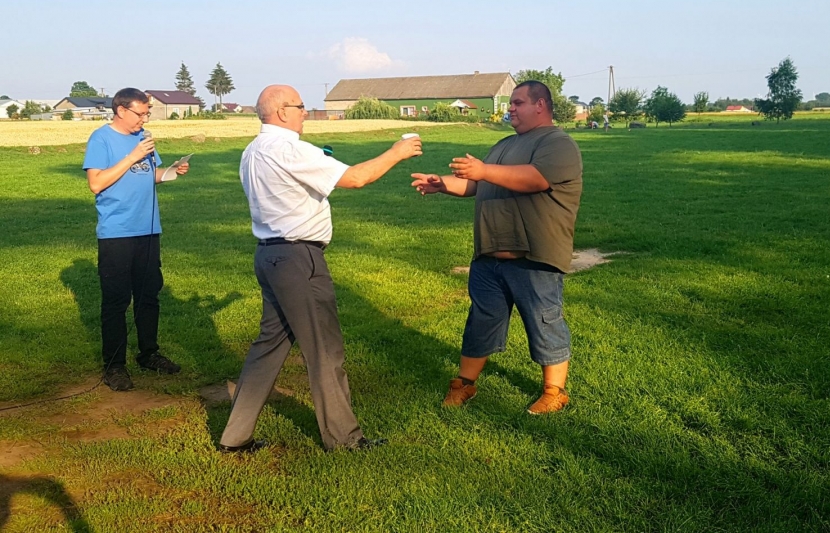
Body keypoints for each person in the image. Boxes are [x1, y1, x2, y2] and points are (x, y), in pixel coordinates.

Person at [219, 85, 422, 453]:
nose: (304, 112)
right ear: (282, 112)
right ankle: (344, 439)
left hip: (269, 256)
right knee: (324, 349)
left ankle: (234, 437)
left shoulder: (253, 150)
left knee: (268, 348)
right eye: (299, 106)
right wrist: (397, 152)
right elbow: (357, 178)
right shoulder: (288, 148)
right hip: (299, 259)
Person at [411, 80, 583, 414]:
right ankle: (465, 383)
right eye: (511, 103)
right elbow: (476, 184)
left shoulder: (557, 143)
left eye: (518, 103)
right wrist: (442, 184)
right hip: (490, 255)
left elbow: (535, 179)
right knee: (481, 320)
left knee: (544, 321)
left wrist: (484, 169)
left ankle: (555, 391)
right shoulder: (504, 144)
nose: (510, 109)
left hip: (534, 256)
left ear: (540, 105)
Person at [83, 88, 190, 392]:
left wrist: (171, 172)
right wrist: (132, 156)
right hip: (117, 232)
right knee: (116, 301)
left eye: (147, 113)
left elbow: (148, 173)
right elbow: (96, 183)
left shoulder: (143, 138)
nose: (145, 119)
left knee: (148, 296)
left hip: (149, 229)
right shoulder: (101, 139)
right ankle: (114, 366)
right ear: (121, 110)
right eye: (140, 113)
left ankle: (149, 353)